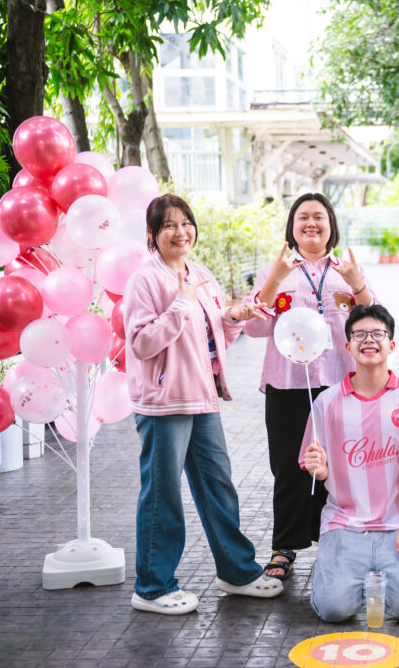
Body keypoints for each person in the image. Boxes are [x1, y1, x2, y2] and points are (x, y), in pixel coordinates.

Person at [123, 193, 281, 615]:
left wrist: (234, 318)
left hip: (202, 397)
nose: (180, 232)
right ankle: (153, 588)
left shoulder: (202, 274)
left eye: (185, 223)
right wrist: (181, 303)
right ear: (153, 235)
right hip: (164, 403)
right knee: (162, 496)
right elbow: (140, 343)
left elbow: (215, 340)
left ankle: (237, 571)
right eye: (169, 225)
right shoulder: (147, 279)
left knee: (218, 487)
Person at [245, 192, 375, 586]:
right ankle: (284, 547)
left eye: (319, 217)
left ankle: (337, 540)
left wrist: (359, 286)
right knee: (288, 466)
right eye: (303, 217)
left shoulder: (347, 269)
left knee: (339, 465)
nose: (311, 224)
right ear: (292, 226)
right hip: (287, 384)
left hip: (338, 384)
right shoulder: (278, 270)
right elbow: (253, 327)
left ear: (331, 224)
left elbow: (374, 322)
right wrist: (273, 281)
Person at [299, 305, 399, 623]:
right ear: (347, 346)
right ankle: (339, 571)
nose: (368, 340)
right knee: (333, 611)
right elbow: (319, 468)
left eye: (378, 334)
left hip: (397, 527)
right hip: (344, 525)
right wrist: (320, 470)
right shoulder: (326, 402)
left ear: (392, 345)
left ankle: (378, 579)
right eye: (359, 334)